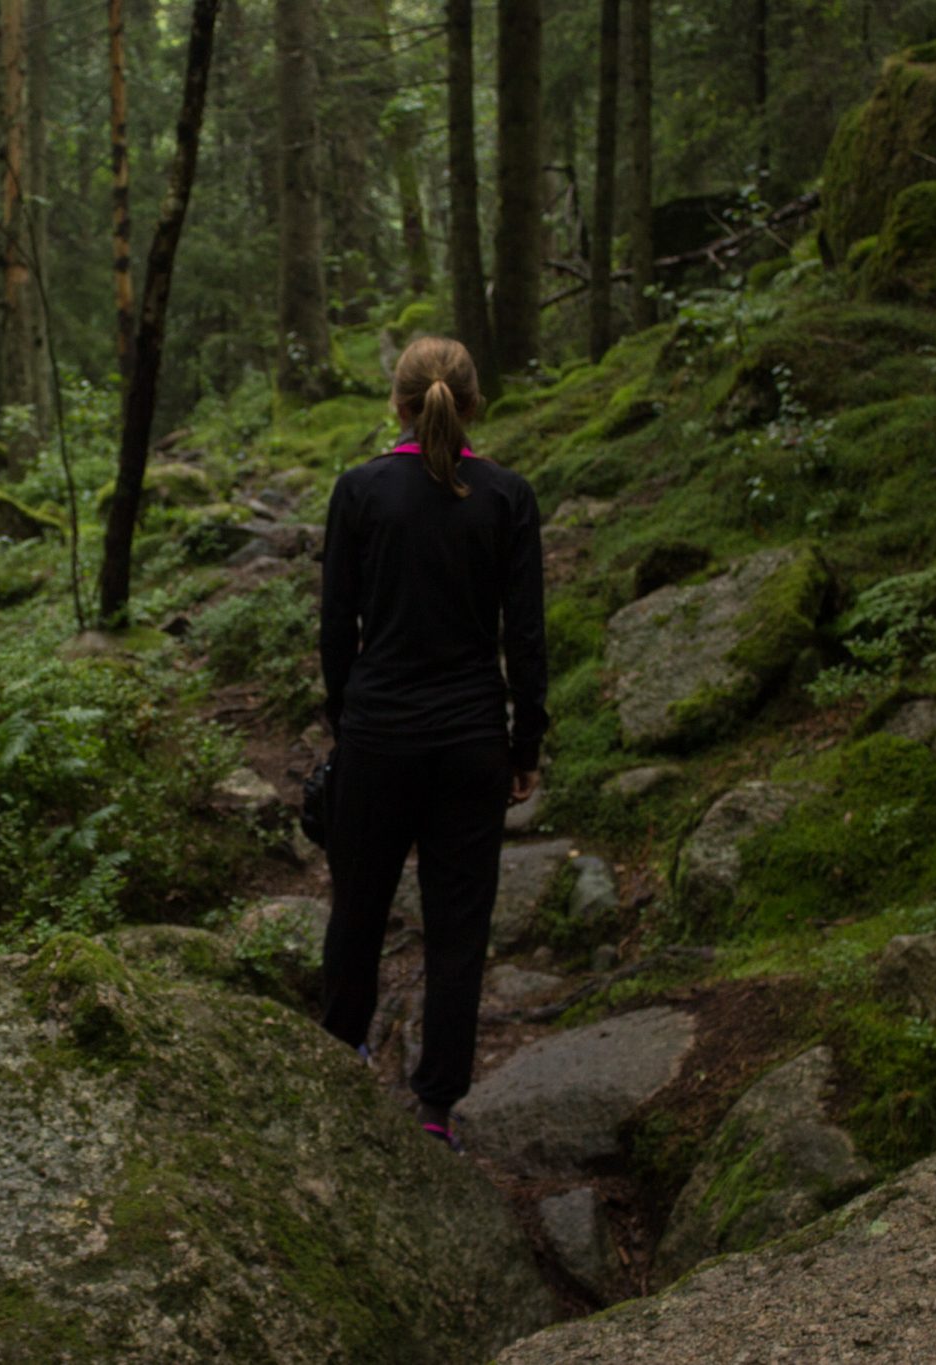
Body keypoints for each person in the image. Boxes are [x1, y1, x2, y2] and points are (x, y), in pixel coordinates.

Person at [317, 334, 548, 1151]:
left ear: (399, 403)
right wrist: (525, 746)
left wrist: (347, 724)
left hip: (378, 737)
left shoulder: (360, 490)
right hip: (471, 742)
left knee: (357, 908)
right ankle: (435, 1108)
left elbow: (336, 627)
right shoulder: (507, 496)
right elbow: (525, 636)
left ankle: (340, 1058)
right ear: (475, 403)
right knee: (458, 928)